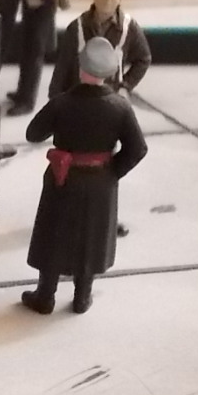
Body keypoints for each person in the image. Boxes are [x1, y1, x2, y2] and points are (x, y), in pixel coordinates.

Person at [19, 37, 147, 316]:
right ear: (110, 73)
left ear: (80, 68)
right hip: (100, 182)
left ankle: (45, 295)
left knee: (54, 236)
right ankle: (82, 296)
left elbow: (33, 133)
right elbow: (138, 148)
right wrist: (112, 171)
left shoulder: (62, 103)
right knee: (91, 238)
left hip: (63, 178)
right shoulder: (120, 107)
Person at [49, 0, 151, 238]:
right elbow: (62, 69)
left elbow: (143, 58)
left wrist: (126, 86)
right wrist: (56, 106)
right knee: (71, 165)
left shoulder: (128, 28)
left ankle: (106, 218)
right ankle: (67, 218)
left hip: (109, 108)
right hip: (78, 106)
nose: (107, 0)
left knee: (105, 164)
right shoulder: (77, 28)